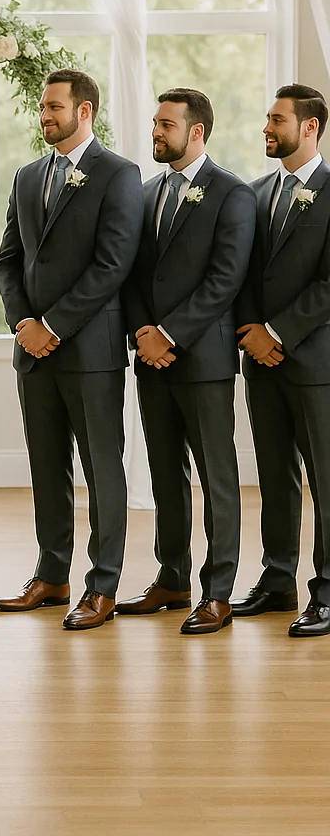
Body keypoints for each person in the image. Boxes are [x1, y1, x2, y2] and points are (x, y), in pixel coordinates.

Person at [0, 69, 143, 630]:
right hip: (32, 350)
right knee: (45, 464)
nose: (44, 114)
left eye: (54, 105)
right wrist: (23, 323)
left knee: (102, 468)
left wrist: (53, 324)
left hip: (89, 347)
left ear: (84, 111)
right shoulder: (28, 176)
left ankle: (103, 584)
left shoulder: (118, 174)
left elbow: (113, 263)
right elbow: (8, 259)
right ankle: (52, 573)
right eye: (42, 106)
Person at [117, 89, 255, 634]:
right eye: (155, 122)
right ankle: (172, 577)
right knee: (164, 471)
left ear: (196, 132)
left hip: (203, 358)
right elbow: (130, 274)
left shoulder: (232, 194)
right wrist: (142, 334)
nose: (156, 131)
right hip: (151, 358)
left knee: (216, 476)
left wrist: (170, 334)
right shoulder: (146, 193)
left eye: (166, 124)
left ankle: (218, 591)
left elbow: (225, 278)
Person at [233, 84, 330, 637]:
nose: (266, 128)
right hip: (261, 360)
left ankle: (328, 590)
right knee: (274, 474)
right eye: (266, 118)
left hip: (314, 361)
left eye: (277, 120)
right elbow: (245, 271)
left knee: (324, 478)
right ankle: (277, 579)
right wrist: (252, 334)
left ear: (309, 127)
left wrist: (278, 332)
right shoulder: (255, 191)